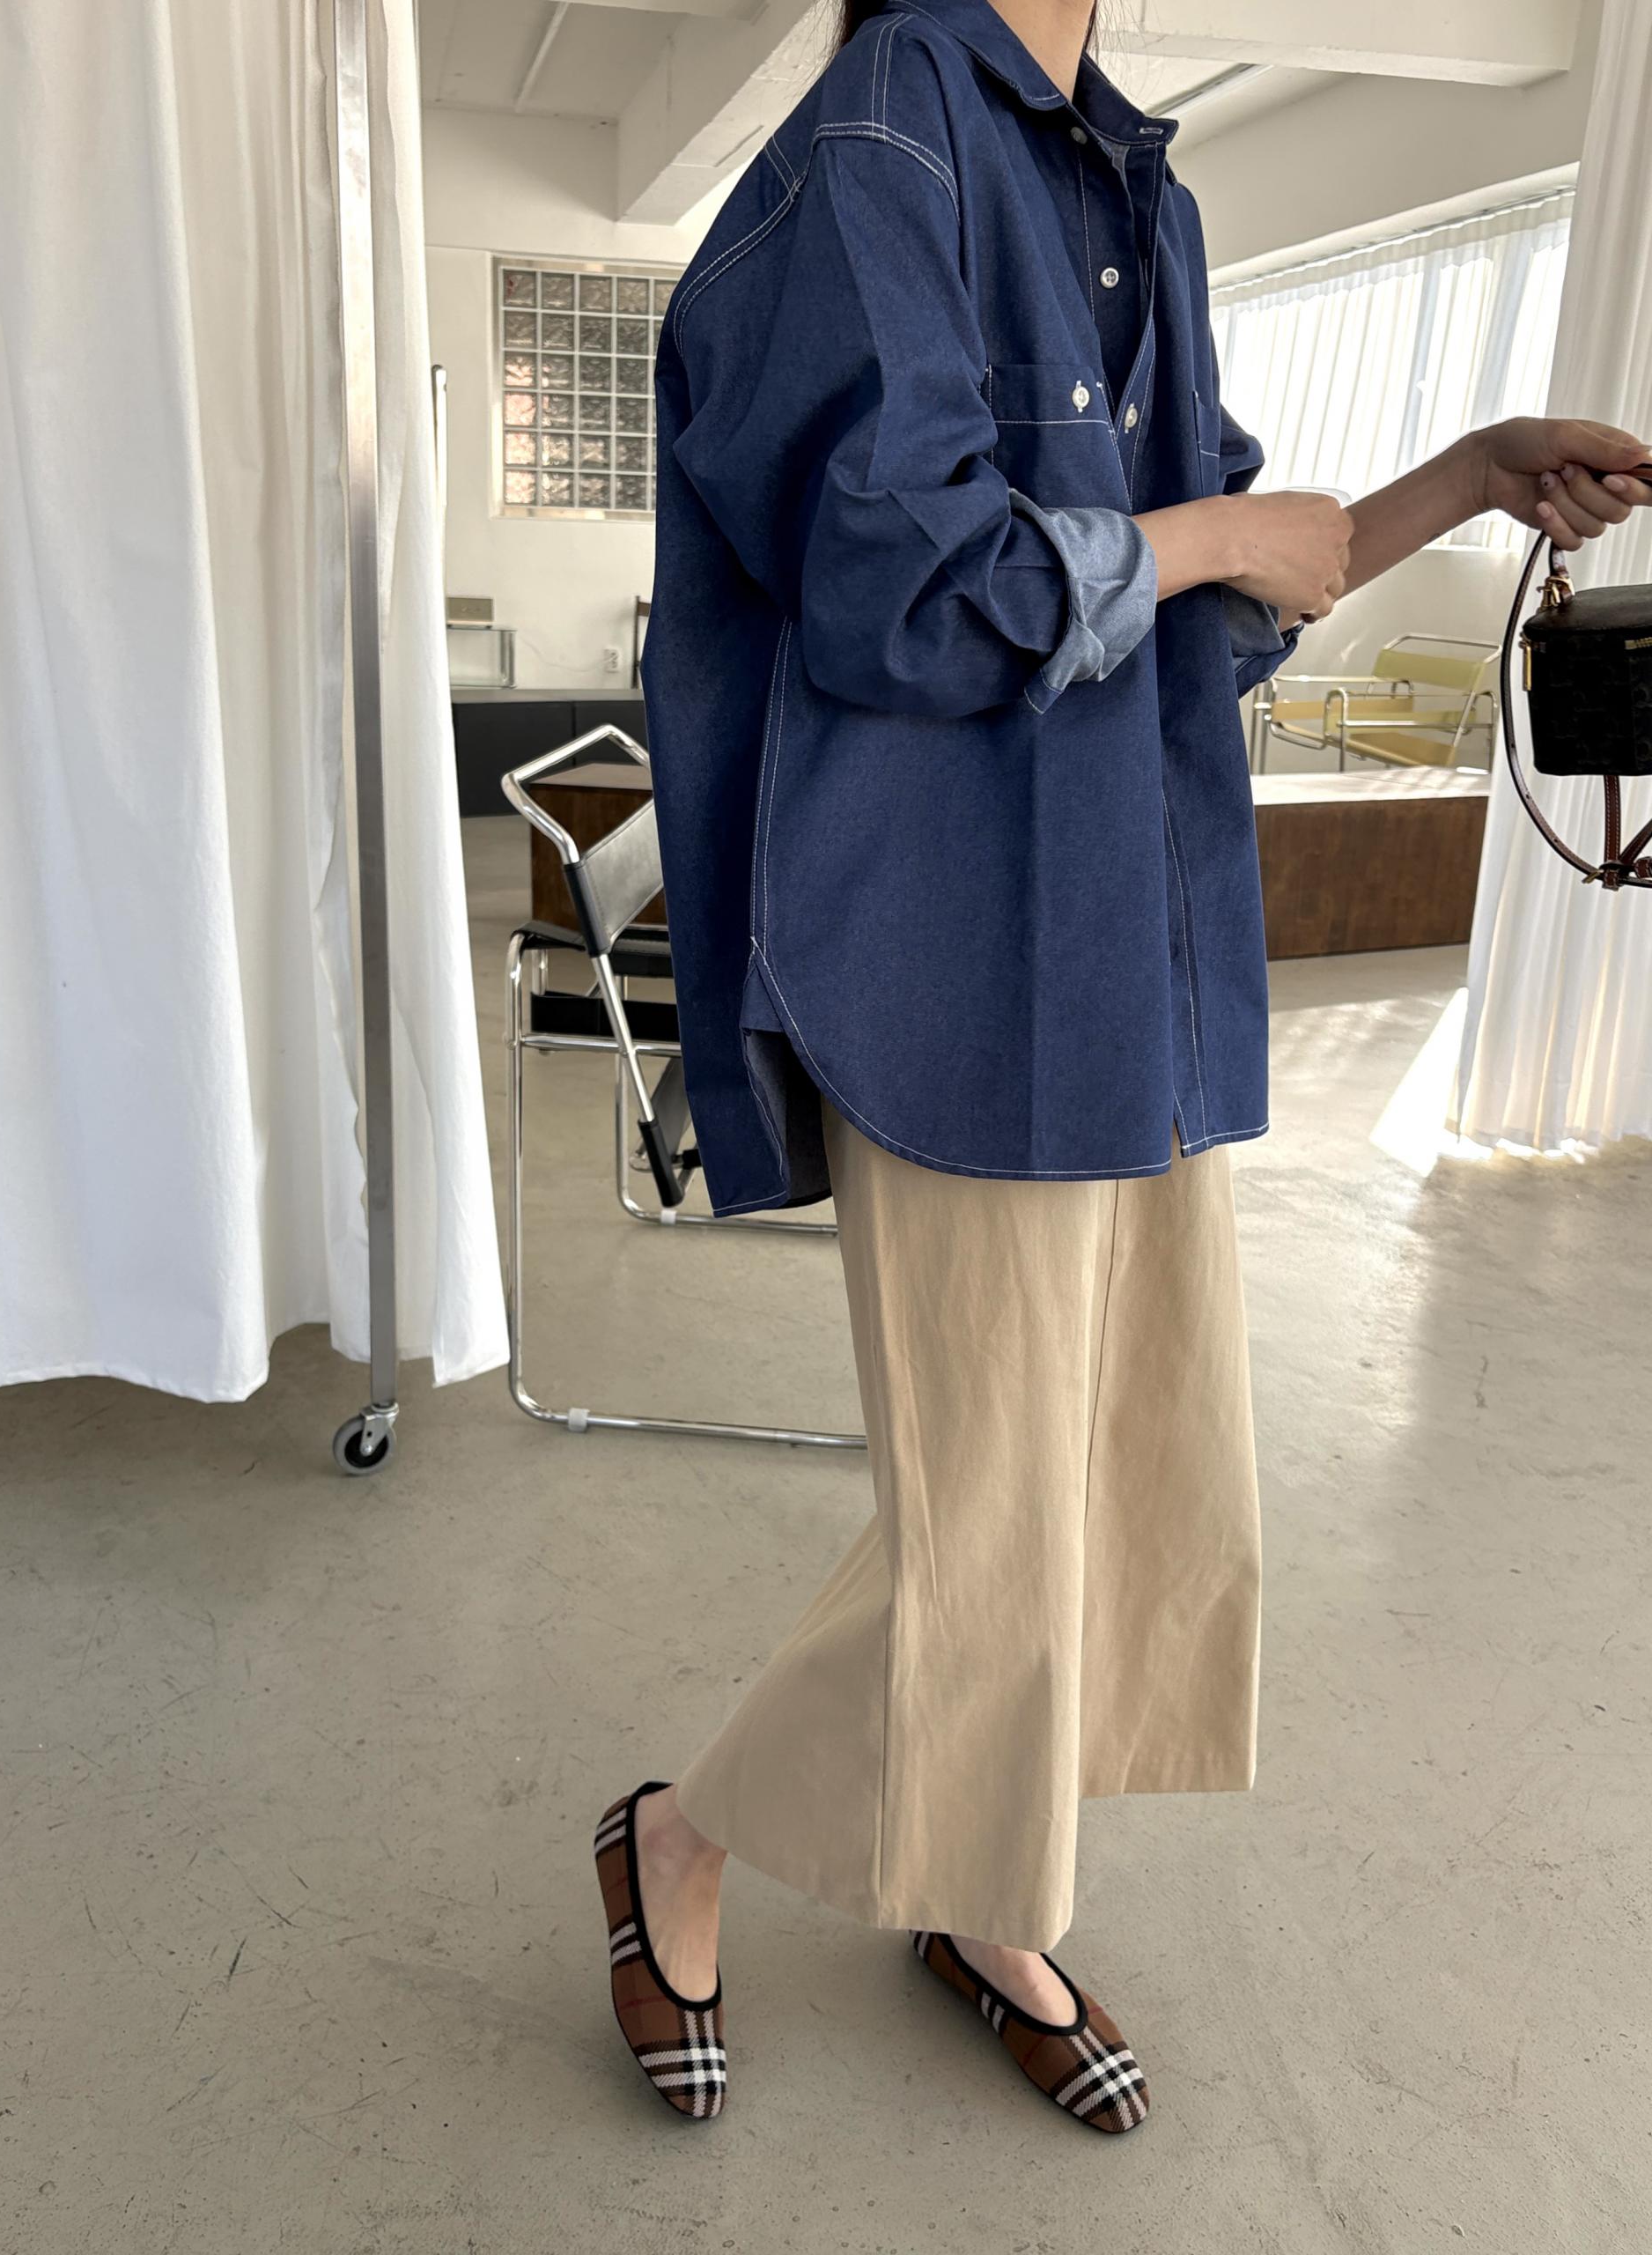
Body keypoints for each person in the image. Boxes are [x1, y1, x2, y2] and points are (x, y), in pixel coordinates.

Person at [595, 0, 1652, 2129]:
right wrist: (1211, 540)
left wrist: (1467, 474)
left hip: (1122, 940)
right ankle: (678, 1838)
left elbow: (1215, 586)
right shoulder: (889, 129)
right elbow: (897, 585)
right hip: (950, 949)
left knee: (1115, 1487)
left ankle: (983, 1892)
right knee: (991, 1531)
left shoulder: (1125, 177)